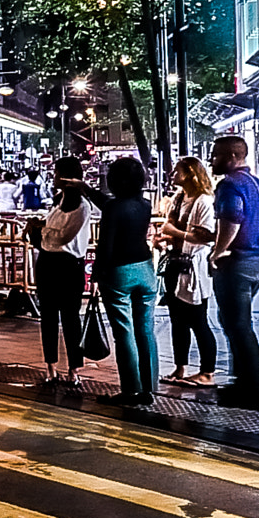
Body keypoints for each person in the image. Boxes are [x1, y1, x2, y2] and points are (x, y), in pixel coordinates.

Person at [210, 135, 259, 410]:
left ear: (232, 156)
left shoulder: (230, 185)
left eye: (216, 155)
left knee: (238, 326)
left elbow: (232, 220)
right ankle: (241, 384)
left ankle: (255, 390)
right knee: (235, 323)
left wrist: (217, 252)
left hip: (237, 261)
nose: (212, 160)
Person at [92, 157, 159, 407]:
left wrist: (97, 275)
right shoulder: (144, 204)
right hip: (145, 269)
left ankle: (131, 389)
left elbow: (105, 246)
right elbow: (112, 205)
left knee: (124, 331)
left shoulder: (113, 208)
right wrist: (84, 189)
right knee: (146, 329)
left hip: (119, 272)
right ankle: (150, 388)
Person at [33, 158, 96, 386]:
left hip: (69, 265)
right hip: (47, 263)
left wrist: (43, 231)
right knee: (48, 317)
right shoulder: (58, 201)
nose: (54, 176)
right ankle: (50, 367)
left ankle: (74, 369)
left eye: (57, 173)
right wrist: (41, 231)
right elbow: (50, 236)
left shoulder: (82, 206)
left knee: (71, 319)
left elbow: (64, 237)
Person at [156, 157, 218, 387]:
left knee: (198, 319)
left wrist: (173, 231)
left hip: (194, 265)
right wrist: (165, 238)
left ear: (190, 174)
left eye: (177, 171)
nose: (172, 175)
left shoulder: (203, 201)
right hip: (176, 262)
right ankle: (179, 367)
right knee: (177, 320)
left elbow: (203, 236)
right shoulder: (178, 198)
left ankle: (207, 372)